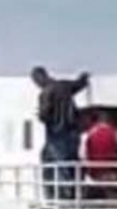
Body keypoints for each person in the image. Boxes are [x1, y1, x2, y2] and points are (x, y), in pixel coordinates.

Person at [31, 66, 89, 197]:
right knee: (71, 165)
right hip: (73, 134)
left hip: (57, 135)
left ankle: (59, 197)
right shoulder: (64, 86)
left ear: (39, 78)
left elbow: (45, 115)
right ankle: (74, 194)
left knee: (56, 166)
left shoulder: (45, 93)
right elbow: (78, 85)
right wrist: (84, 78)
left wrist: (40, 115)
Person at [79, 111, 117, 200]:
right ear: (110, 120)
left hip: (94, 176)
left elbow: (82, 156)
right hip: (112, 175)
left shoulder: (87, 134)